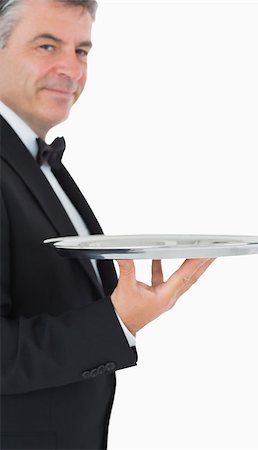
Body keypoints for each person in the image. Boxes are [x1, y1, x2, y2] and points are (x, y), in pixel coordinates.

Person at [0, 0, 214, 449]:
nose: (70, 69)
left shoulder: (34, 159)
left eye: (81, 51)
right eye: (46, 45)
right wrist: (117, 321)